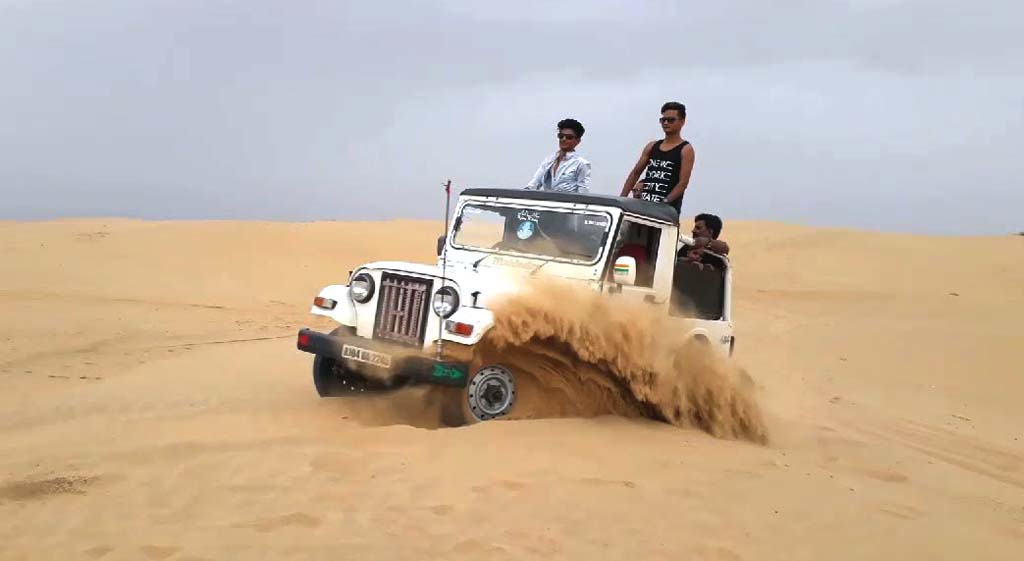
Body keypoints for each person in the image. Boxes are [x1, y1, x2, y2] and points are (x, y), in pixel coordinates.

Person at [620, 101, 696, 214]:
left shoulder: (686, 149)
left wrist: (665, 202)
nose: (666, 123)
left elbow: (682, 183)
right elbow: (636, 173)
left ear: (682, 121)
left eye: (671, 120)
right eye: (663, 120)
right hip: (644, 206)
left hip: (666, 211)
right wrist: (622, 199)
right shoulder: (652, 146)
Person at [525, 118, 591, 192]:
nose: (564, 139)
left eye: (569, 137)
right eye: (561, 136)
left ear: (577, 141)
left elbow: (583, 193)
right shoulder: (548, 161)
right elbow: (533, 185)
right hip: (547, 202)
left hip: (568, 203)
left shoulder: (581, 164)